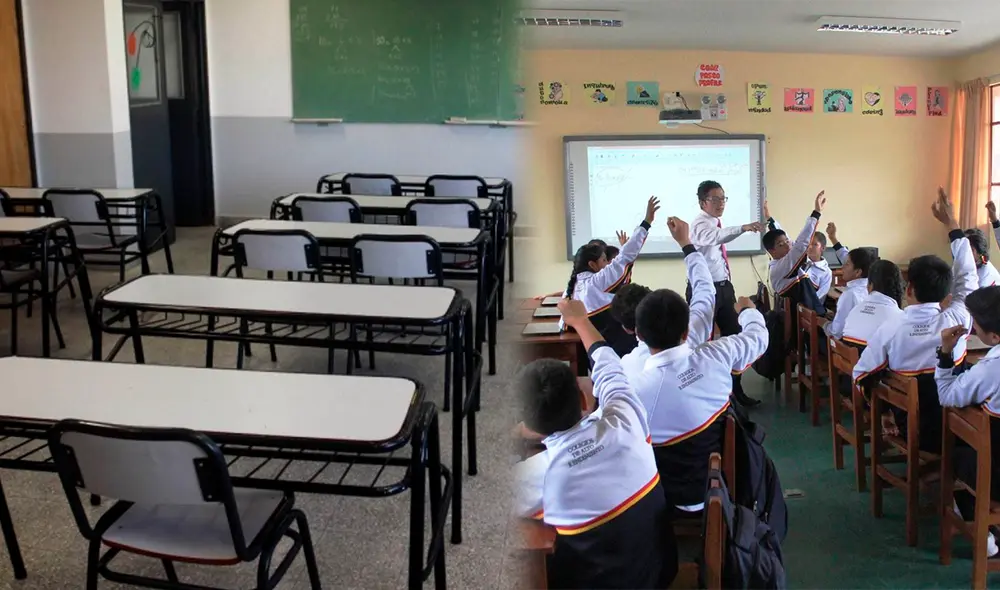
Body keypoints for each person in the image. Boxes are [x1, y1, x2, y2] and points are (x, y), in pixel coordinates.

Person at [513, 298, 678, 589]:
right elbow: (608, 366)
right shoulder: (625, 416)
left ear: (530, 426)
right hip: (659, 574)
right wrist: (580, 321)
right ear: (582, 398)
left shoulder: (539, 474)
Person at [631, 217, 769, 513]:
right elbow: (709, 297)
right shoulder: (715, 354)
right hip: (718, 488)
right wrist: (748, 311)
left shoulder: (632, 388)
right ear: (685, 330)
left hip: (659, 500)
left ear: (639, 335)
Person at [853, 188, 978, 453]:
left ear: (908, 289)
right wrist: (952, 223)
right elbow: (968, 276)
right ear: (946, 294)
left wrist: (885, 412)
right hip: (957, 433)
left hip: (912, 430)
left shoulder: (890, 328)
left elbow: (862, 374)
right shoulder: (956, 320)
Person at [935, 286, 1000, 557]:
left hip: (996, 477)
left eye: (977, 326)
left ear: (994, 335)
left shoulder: (991, 369)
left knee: (953, 455)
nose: (972, 331)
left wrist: (946, 353)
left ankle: (982, 530)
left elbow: (947, 395)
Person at [690, 180, 766, 407]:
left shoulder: (714, 222)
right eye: (715, 199)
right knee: (701, 341)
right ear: (703, 202)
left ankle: (735, 392)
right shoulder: (699, 225)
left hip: (724, 287)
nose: (721, 203)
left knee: (734, 335)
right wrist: (742, 228)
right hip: (704, 290)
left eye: (723, 198)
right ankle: (704, 395)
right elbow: (716, 237)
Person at [561, 197, 660, 356]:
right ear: (593, 265)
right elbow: (625, 256)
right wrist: (647, 221)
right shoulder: (596, 281)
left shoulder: (573, 287)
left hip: (592, 350)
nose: (608, 264)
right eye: (604, 260)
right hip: (617, 348)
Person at [611, 244, 716, 385]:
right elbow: (705, 290)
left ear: (630, 330)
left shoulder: (627, 368)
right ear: (685, 332)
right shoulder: (695, 334)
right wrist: (687, 245)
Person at [761, 190, 829, 311]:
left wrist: (770, 219)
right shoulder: (779, 267)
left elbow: (783, 237)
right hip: (800, 322)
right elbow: (800, 245)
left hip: (806, 313)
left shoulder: (783, 258)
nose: (788, 246)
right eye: (782, 245)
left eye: (788, 241)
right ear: (772, 252)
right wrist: (816, 213)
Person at [825, 223, 878, 341]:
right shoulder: (873, 288)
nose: (842, 266)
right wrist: (833, 238)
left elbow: (836, 333)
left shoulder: (850, 295)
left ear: (858, 272)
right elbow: (845, 255)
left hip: (847, 349)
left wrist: (824, 324)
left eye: (847, 264)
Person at [841, 259, 906, 348]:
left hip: (847, 359)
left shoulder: (855, 309)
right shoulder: (899, 317)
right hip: (871, 360)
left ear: (869, 286)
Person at [804, 231, 834, 303]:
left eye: (815, 244)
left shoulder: (826, 272)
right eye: (809, 243)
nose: (810, 247)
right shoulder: (801, 262)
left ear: (823, 248)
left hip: (809, 307)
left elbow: (820, 295)